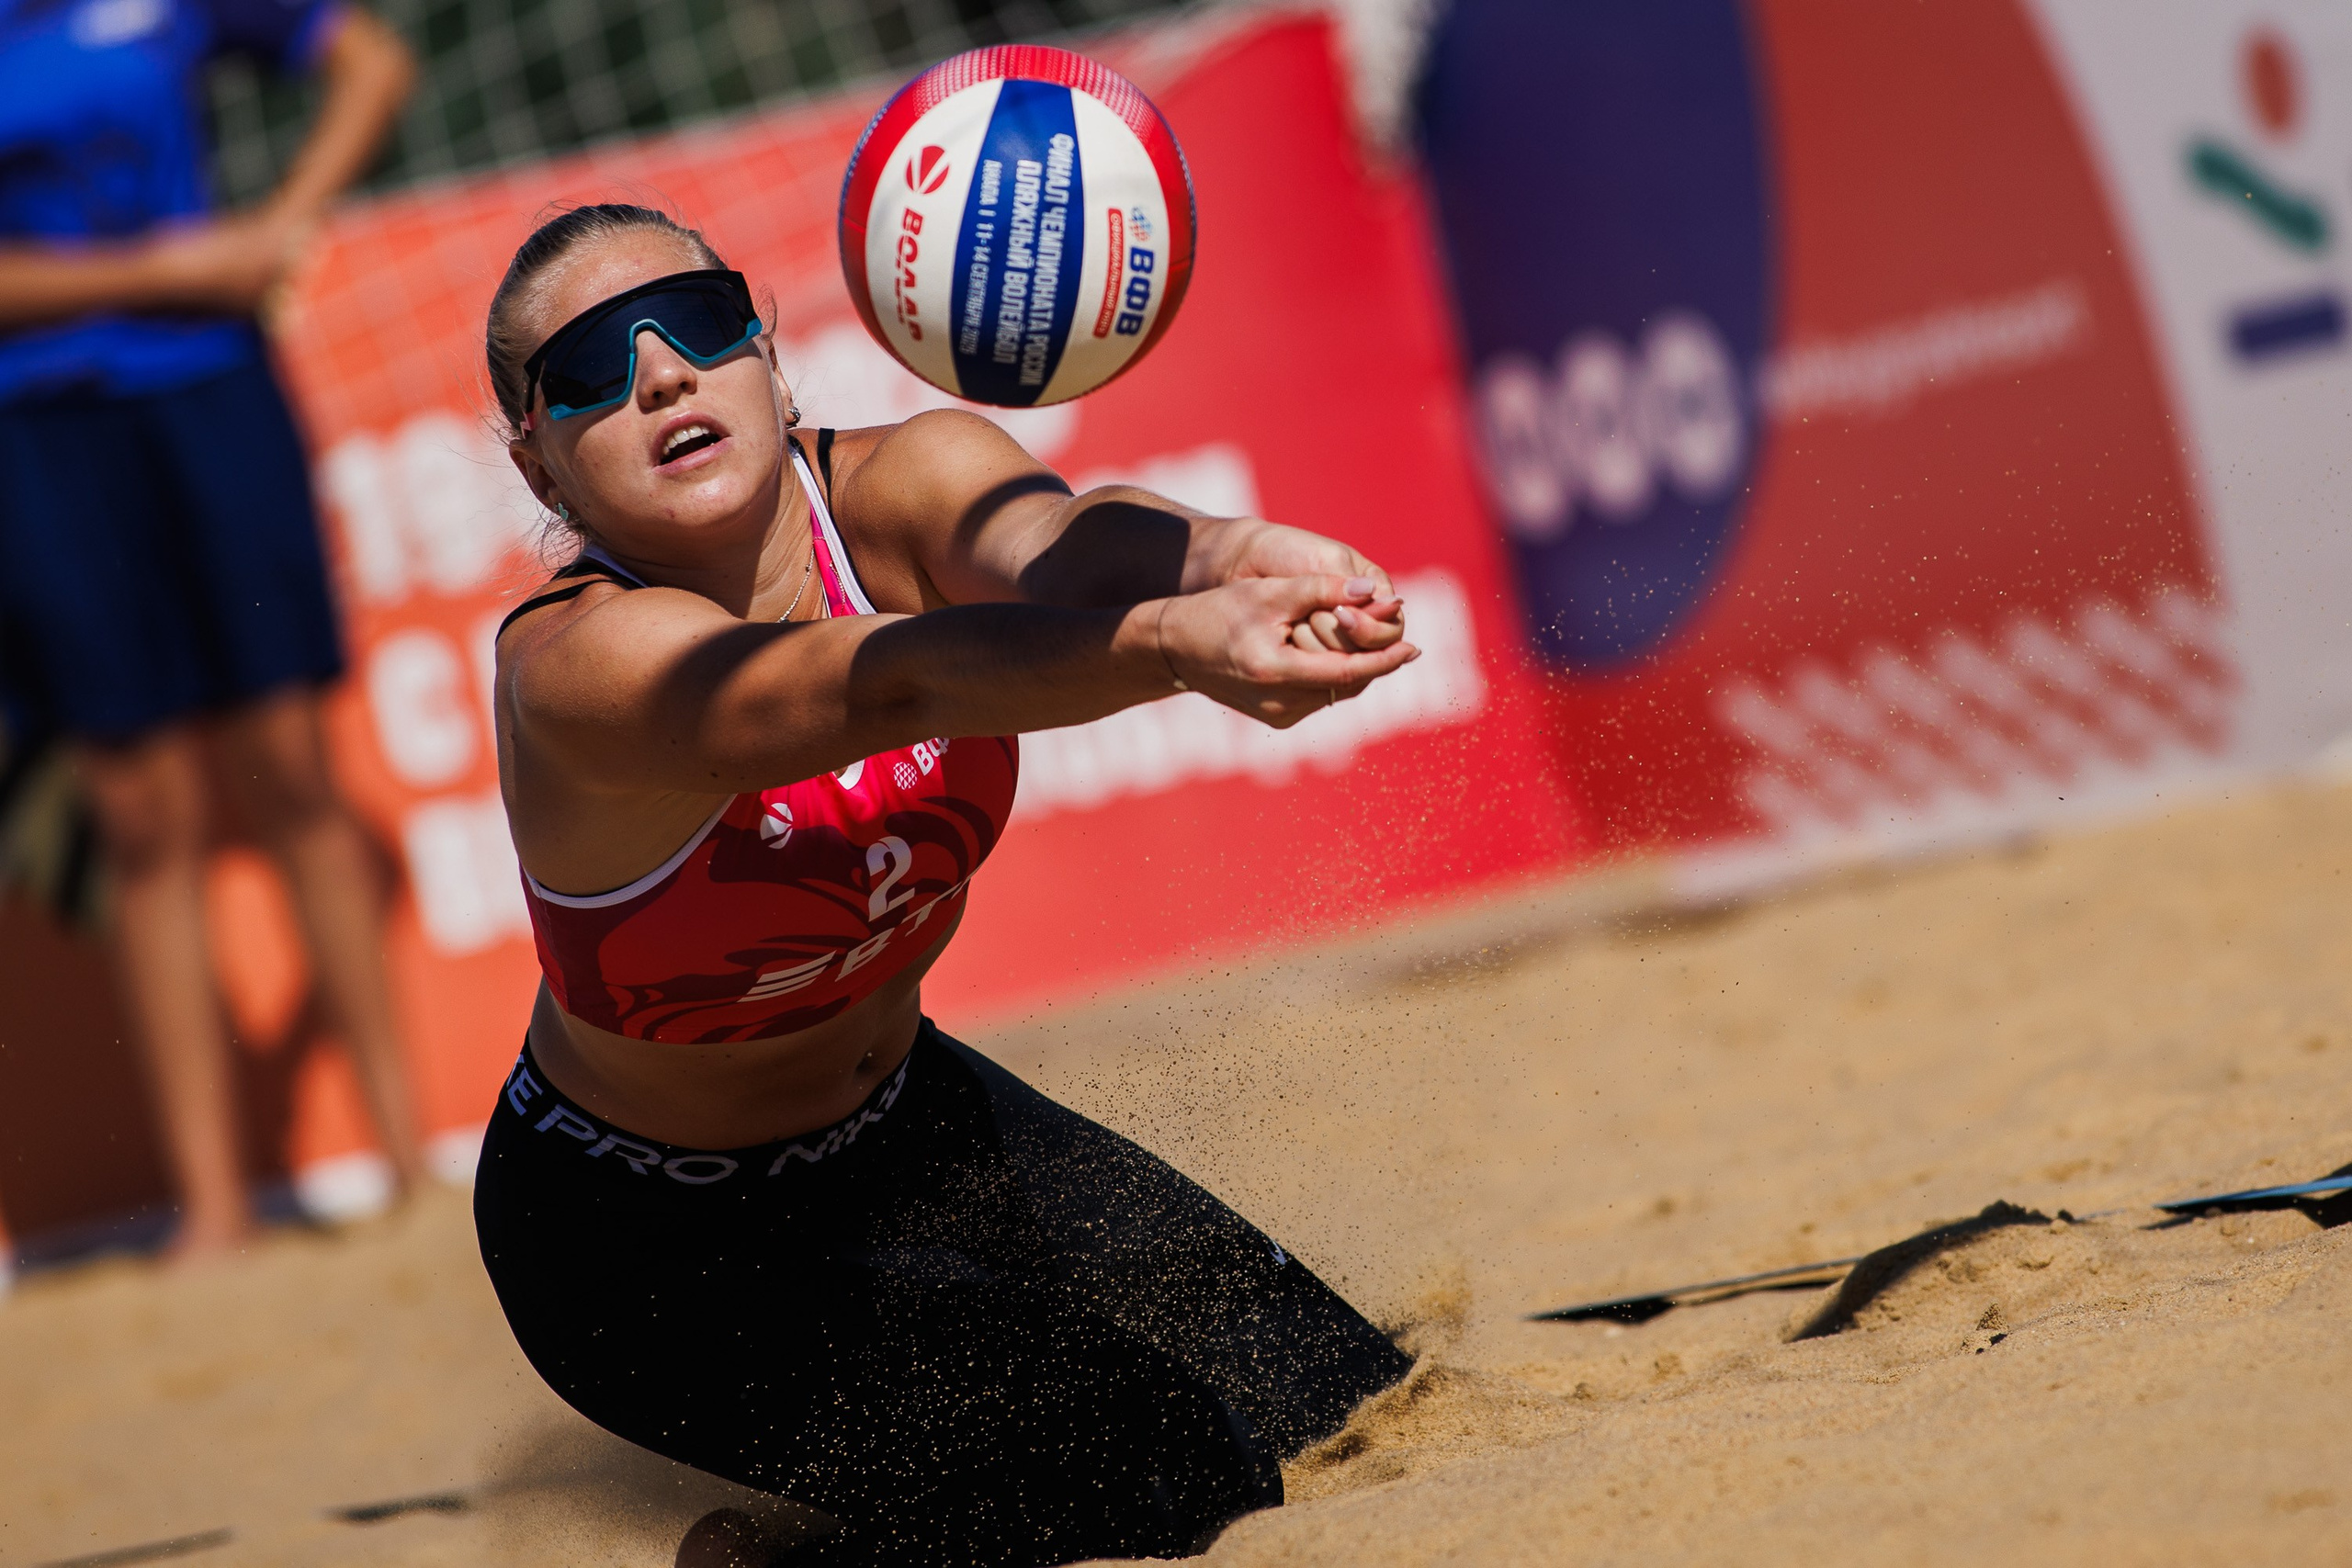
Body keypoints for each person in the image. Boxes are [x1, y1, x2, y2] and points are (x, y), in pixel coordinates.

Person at [472, 203, 1421, 1567]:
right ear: (541, 464)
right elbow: (890, 678)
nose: (661, 375)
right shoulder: (579, 671)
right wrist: (1172, 643)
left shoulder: (905, 484)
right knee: (1167, 1468)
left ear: (763, 344)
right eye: (587, 369)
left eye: (694, 320)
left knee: (1344, 1401)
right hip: (645, 1245)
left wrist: (1228, 556)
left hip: (916, 1125)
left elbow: (1070, 545)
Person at [0, 0, 423, 1258]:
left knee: (295, 766)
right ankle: (215, 1210)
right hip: (38, 438)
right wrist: (180, 269)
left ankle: (414, 1165)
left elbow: (375, 58)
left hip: (213, 398)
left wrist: (282, 222)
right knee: (141, 815)